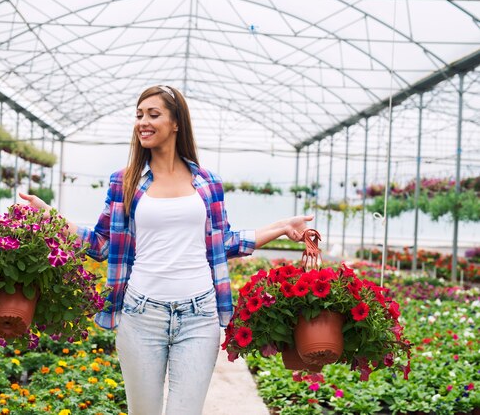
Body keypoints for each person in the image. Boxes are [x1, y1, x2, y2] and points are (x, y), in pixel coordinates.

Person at [20, 85, 313, 415]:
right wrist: (50, 216)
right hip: (141, 315)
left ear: (176, 123)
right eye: (139, 115)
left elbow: (224, 242)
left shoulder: (207, 183)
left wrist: (281, 227)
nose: (143, 122)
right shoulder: (125, 182)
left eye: (153, 114)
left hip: (199, 316)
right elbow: (102, 243)